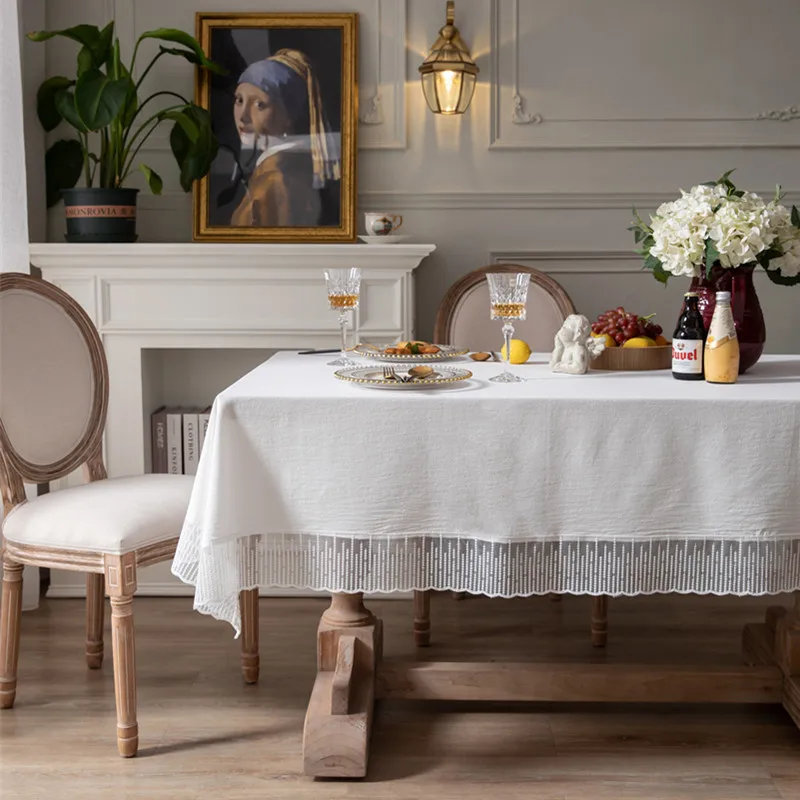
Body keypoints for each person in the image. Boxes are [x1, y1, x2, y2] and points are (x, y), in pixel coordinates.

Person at [230, 48, 340, 227]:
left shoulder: (277, 179)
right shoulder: (284, 168)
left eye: (259, 104)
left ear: (289, 114)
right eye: (239, 100)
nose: (243, 116)